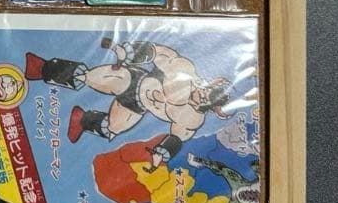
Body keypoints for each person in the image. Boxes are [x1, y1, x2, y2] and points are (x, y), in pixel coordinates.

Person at [25, 39, 233, 169]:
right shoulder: (184, 70)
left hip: (137, 107)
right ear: (209, 84)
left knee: (112, 128)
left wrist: (161, 153)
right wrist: (131, 52)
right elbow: (157, 52)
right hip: (134, 80)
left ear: (212, 108)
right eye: (205, 92)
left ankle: (82, 120)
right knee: (88, 77)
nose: (200, 96)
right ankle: (42, 68)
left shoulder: (193, 119)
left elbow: (177, 137)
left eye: (206, 101)